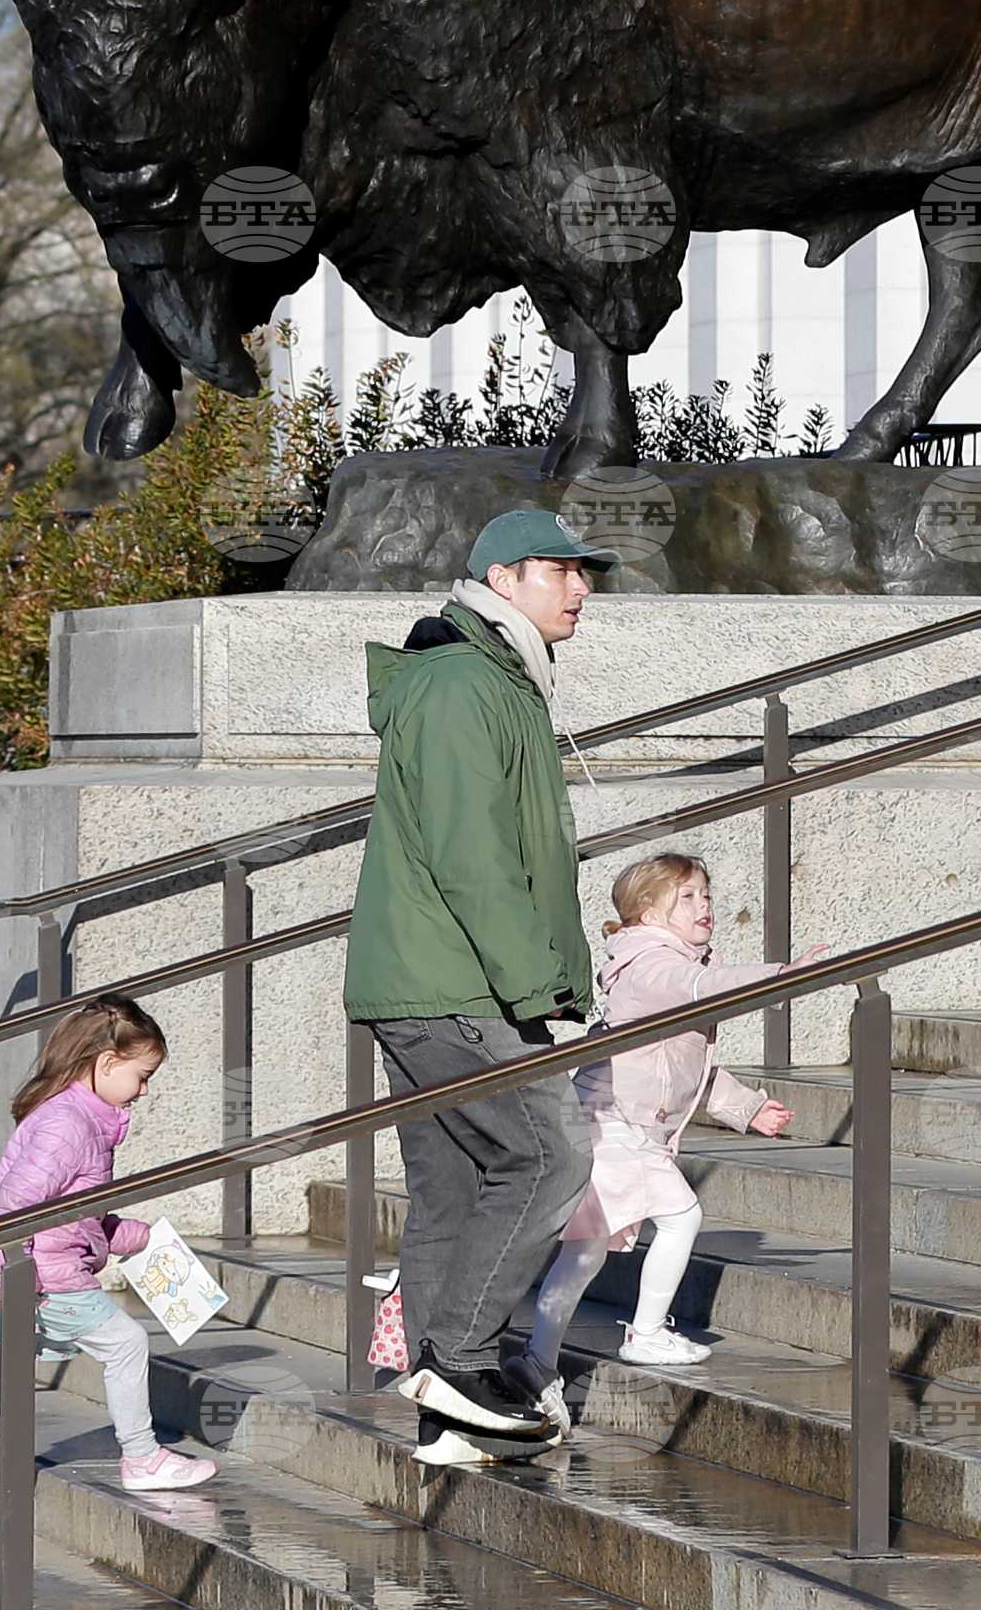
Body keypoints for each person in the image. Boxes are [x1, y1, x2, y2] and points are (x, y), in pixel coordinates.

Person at [343, 505, 623, 1465]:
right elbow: (474, 859)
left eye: (586, 574)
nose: (582, 589)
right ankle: (459, 1364)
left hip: (433, 980)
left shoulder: (494, 680)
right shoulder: (465, 685)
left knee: (457, 1193)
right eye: (563, 570)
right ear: (502, 580)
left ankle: (445, 1419)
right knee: (549, 1155)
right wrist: (541, 983)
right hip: (454, 985)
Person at [0, 993, 216, 1561]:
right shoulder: (69, 1125)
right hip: (46, 1277)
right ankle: (142, 1456)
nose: (144, 1090)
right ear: (106, 1064)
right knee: (126, 1343)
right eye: (142, 1076)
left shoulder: (79, 1119)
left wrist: (134, 1237)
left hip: (28, 1271)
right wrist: (17, 1277)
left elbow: (76, 1214)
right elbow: (15, 1208)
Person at [516, 852, 824, 1428]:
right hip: (617, 1125)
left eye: (706, 894)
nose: (704, 905)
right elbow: (700, 985)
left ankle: (540, 1362)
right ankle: (647, 1334)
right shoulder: (651, 965)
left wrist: (748, 1108)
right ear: (647, 911)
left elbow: (688, 1069)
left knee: (584, 1252)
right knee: (680, 1216)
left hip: (620, 1123)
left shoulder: (667, 962)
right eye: (688, 897)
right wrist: (782, 975)